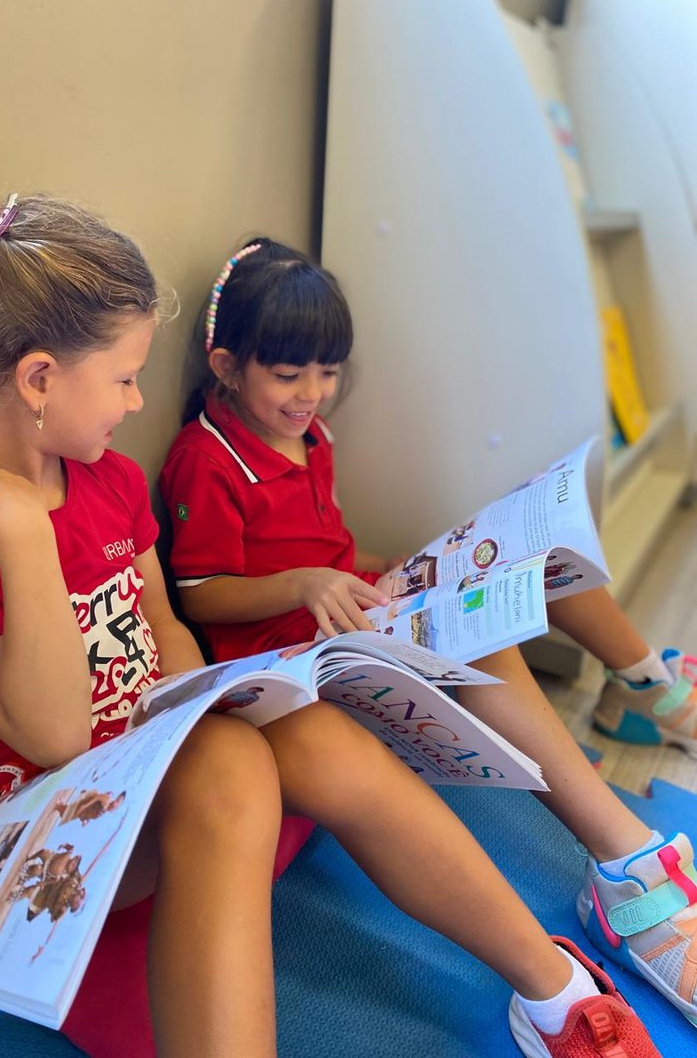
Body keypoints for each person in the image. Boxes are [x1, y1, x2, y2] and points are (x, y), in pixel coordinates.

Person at [0, 200, 661, 1058]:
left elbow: (161, 621)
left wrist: (188, 697)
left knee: (306, 737)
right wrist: (25, 535)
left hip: (143, 752)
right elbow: (58, 736)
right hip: (34, 818)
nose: (138, 402)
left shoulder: (106, 480)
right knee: (230, 760)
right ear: (38, 380)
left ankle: (555, 990)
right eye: (124, 379)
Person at [160, 235, 697, 1036]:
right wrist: (308, 584)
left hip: (346, 610)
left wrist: (394, 571)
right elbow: (201, 596)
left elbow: (326, 547)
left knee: (525, 564)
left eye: (328, 371)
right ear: (227, 366)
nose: (313, 394)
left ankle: (650, 684)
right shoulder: (205, 460)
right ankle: (629, 861)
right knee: (485, 641)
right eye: (289, 374)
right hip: (297, 658)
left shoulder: (309, 436)